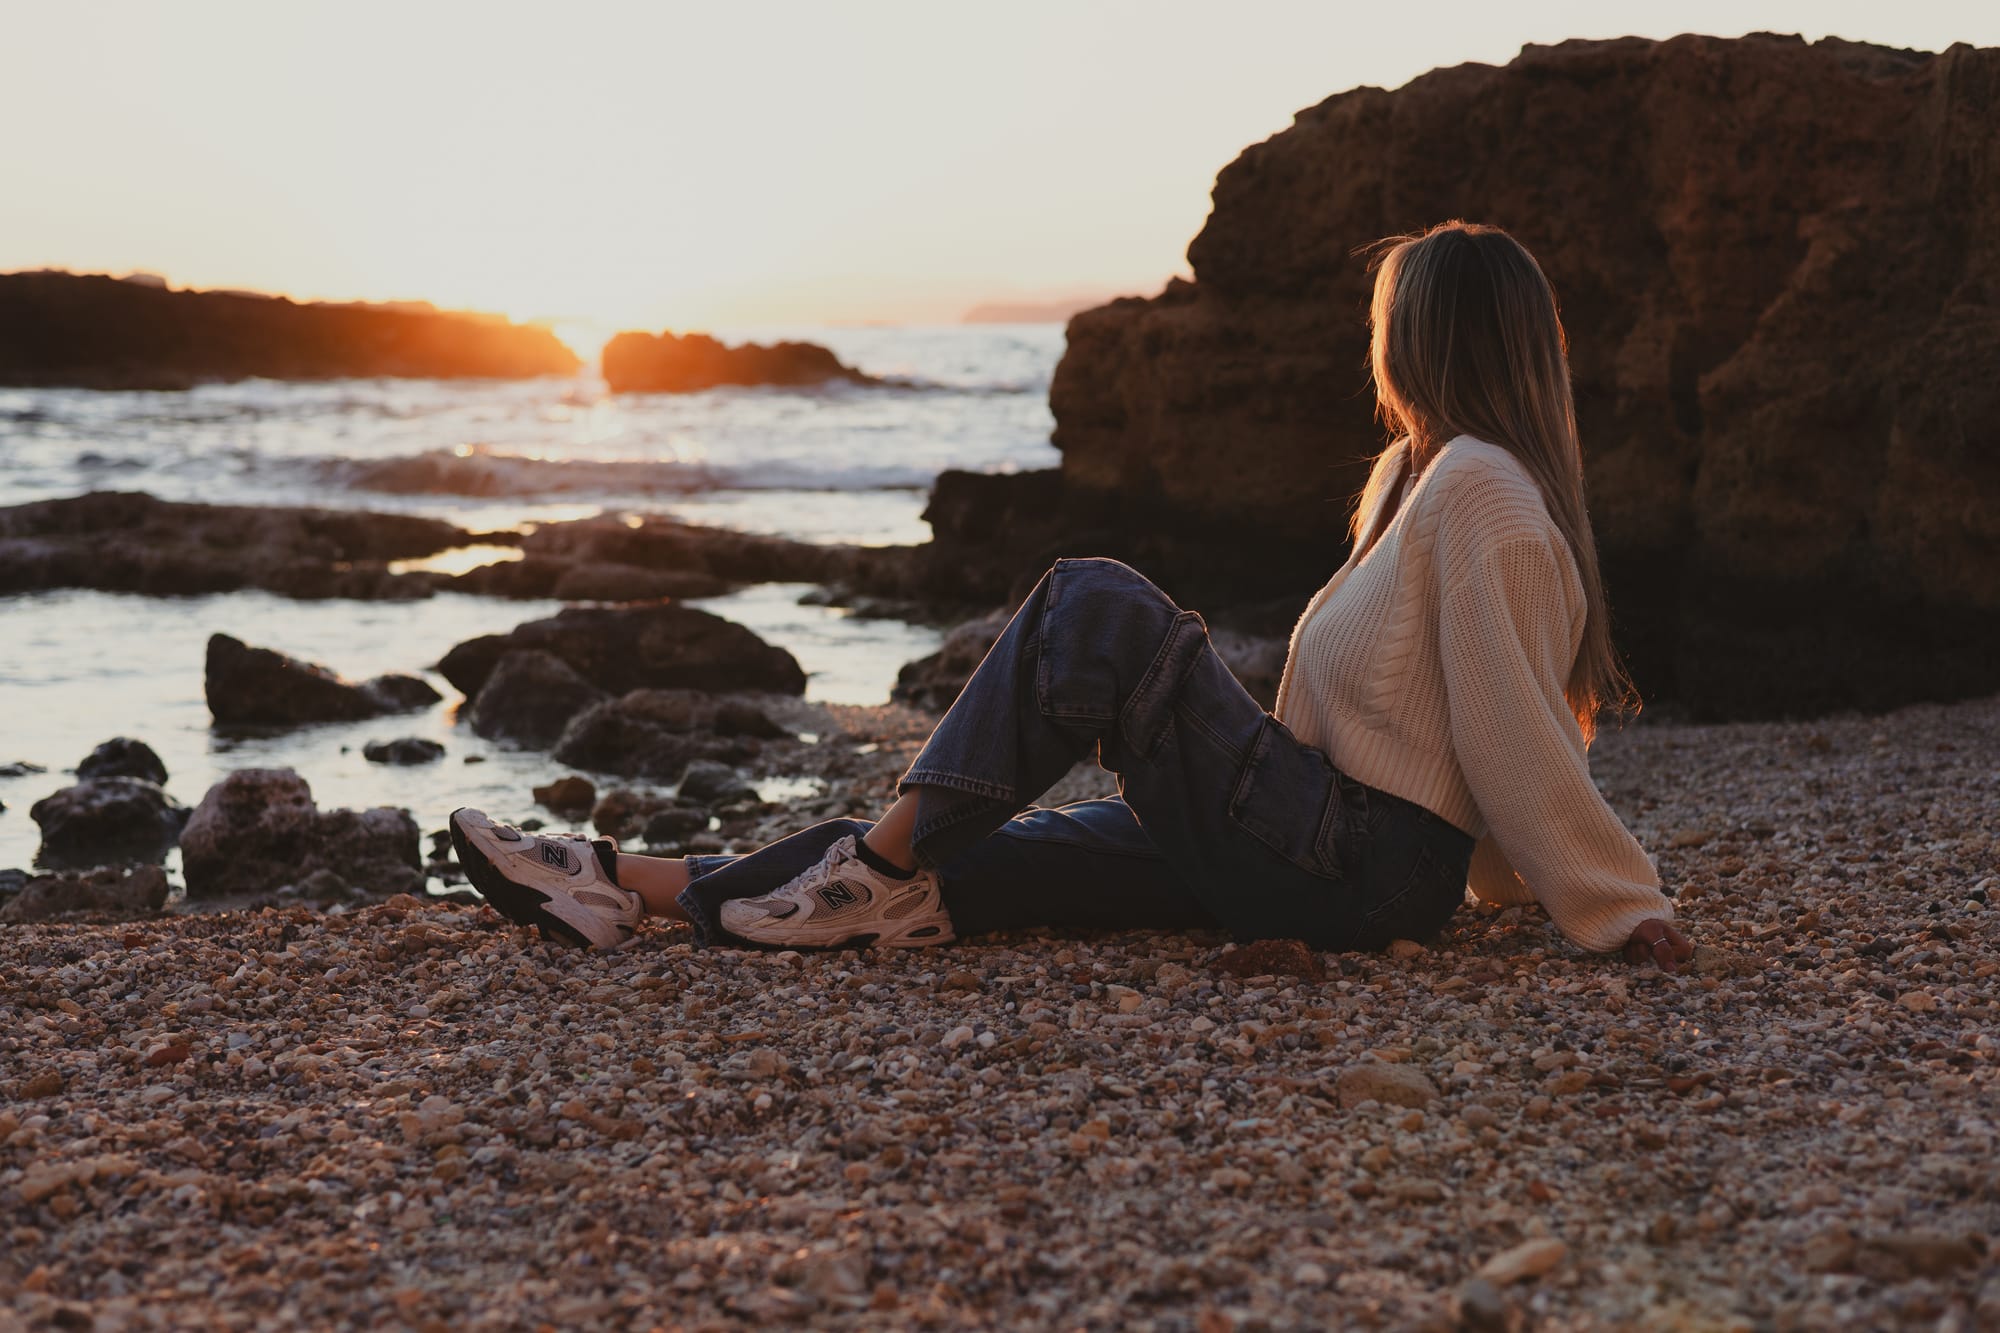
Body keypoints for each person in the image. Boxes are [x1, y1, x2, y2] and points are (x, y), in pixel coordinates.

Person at [449, 220, 1692, 973]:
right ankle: (620, 881)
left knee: (1093, 606)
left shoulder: (1477, 485)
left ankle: (855, 879)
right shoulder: (1411, 479)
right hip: (1307, 843)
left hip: (1351, 864)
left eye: (1389, 323)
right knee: (972, 859)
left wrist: (1615, 905)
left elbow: (1510, 726)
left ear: (1421, 338)